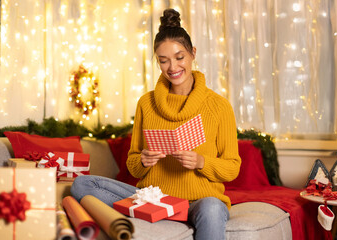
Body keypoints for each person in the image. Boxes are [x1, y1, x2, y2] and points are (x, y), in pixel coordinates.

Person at [71, 8, 241, 240]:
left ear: (193, 53)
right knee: (82, 184)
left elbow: (232, 167)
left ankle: (173, 214)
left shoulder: (219, 106)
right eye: (163, 61)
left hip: (199, 202)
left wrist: (202, 162)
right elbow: (132, 164)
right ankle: (159, 213)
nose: (173, 68)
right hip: (154, 199)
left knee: (212, 208)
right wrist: (143, 160)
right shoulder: (146, 103)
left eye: (180, 57)